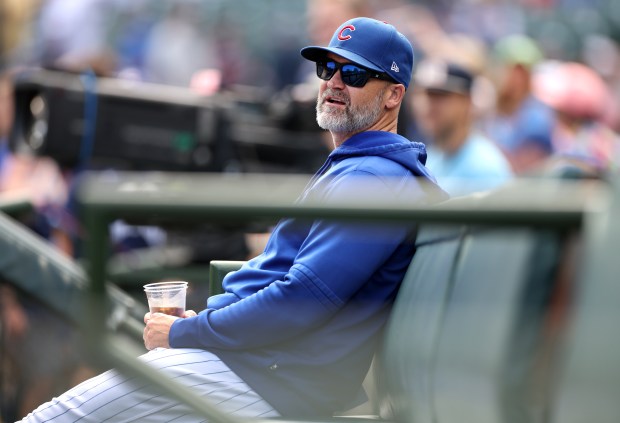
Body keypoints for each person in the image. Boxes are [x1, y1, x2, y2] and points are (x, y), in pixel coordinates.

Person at [21, 17, 446, 421]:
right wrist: (201, 327)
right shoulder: (360, 165)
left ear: (393, 95)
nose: (333, 82)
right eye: (327, 67)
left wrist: (187, 334)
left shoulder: (375, 177)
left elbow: (299, 301)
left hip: (266, 376)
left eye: (354, 75)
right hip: (252, 363)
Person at [413, 58, 513, 196]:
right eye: (426, 94)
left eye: (440, 96)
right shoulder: (431, 155)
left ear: (467, 101)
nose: (429, 105)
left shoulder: (485, 169)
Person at [481, 34, 556, 175]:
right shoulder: (488, 112)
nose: (515, 79)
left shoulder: (537, 118)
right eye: (510, 70)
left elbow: (525, 173)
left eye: (522, 73)